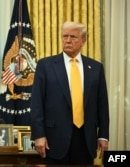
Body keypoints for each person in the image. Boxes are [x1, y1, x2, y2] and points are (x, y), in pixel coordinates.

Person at [30, 21, 109, 165]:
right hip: (54, 140)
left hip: (86, 140)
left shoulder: (96, 68)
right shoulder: (45, 66)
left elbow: (102, 105)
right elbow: (36, 104)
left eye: (73, 37)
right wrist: (39, 135)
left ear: (83, 41)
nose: (67, 40)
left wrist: (103, 136)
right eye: (64, 36)